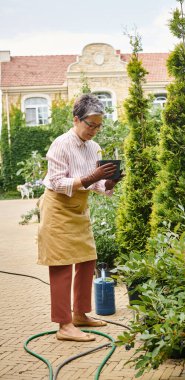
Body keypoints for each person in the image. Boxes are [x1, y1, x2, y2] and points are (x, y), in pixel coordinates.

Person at [37, 94, 121, 342]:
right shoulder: (61, 144)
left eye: (98, 125)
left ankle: (80, 314)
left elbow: (96, 187)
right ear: (76, 119)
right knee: (62, 265)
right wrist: (89, 178)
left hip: (79, 208)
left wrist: (108, 182)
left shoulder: (94, 147)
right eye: (90, 125)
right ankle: (64, 325)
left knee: (87, 260)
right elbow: (55, 181)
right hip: (58, 208)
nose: (94, 130)